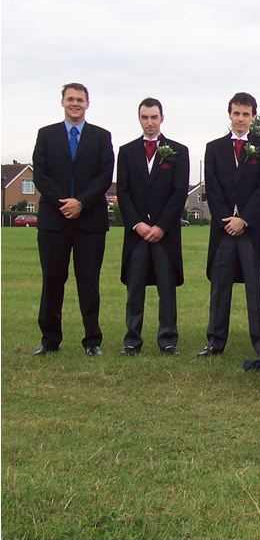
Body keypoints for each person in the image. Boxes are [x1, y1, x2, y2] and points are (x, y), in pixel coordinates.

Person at [32, 83, 114, 356]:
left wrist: (81, 202)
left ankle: (92, 341)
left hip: (89, 222)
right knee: (52, 281)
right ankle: (49, 341)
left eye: (80, 99)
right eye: (70, 99)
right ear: (62, 102)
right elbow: (40, 174)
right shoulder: (46, 135)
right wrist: (64, 203)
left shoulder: (101, 137)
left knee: (89, 282)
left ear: (87, 103)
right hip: (53, 222)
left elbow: (104, 176)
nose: (75, 103)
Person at [197, 92, 260, 357]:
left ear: (253, 116)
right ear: (229, 115)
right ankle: (215, 341)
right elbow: (212, 187)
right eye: (236, 113)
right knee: (220, 286)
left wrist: (244, 219)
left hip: (251, 230)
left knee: (255, 286)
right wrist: (227, 220)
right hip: (223, 231)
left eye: (245, 114)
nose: (240, 119)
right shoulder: (214, 148)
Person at [117, 98, 189, 356]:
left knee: (166, 290)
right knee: (135, 289)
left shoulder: (178, 151)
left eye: (154, 117)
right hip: (137, 235)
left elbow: (179, 193)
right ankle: (132, 340)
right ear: (139, 119)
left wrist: (161, 226)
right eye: (145, 117)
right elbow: (123, 192)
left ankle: (168, 340)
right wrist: (137, 224)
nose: (149, 122)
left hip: (164, 236)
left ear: (162, 118)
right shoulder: (126, 152)